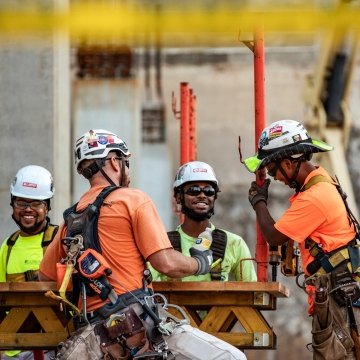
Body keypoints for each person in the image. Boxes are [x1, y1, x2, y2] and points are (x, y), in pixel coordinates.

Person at [39, 129, 246, 360]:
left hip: (93, 338)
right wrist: (200, 262)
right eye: (125, 162)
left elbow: (45, 275)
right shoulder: (133, 200)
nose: (127, 169)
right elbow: (166, 264)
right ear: (115, 162)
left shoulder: (71, 218)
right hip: (139, 325)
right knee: (231, 357)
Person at [244, 119, 360, 359]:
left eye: (274, 170)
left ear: (288, 163)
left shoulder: (314, 197)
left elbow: (273, 236)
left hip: (341, 302)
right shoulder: (321, 183)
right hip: (341, 295)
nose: (276, 177)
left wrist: (259, 202)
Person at [153, 160, 257, 283]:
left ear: (215, 197)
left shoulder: (234, 243)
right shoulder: (163, 244)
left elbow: (251, 294)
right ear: (178, 197)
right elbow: (145, 286)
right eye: (194, 190)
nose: (202, 195)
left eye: (209, 191)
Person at [0, 165, 57, 360]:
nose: (27, 210)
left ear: (47, 207)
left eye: (35, 204)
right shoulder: (8, 246)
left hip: (55, 345)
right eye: (21, 203)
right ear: (12, 205)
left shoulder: (59, 240)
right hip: (13, 348)